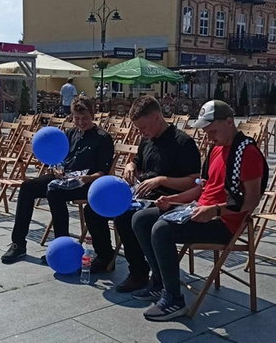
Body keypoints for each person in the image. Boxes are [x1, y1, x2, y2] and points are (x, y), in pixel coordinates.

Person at [132, 100, 268, 321]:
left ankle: (174, 299)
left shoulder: (247, 152)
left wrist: (214, 211)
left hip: (225, 222)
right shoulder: (216, 148)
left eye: (212, 131)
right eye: (206, 132)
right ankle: (159, 282)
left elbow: (251, 202)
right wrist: (173, 199)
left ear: (229, 122)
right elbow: (202, 188)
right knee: (141, 219)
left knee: (161, 230)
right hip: (200, 209)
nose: (208, 137)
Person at [83, 96, 201, 293]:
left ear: (157, 117)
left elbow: (193, 181)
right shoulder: (147, 139)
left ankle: (138, 272)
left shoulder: (182, 142)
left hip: (168, 199)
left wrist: (161, 180)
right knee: (93, 209)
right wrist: (130, 165)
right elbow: (137, 160)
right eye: (138, 129)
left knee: (125, 217)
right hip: (141, 195)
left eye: (143, 127)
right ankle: (104, 256)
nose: (141, 132)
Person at [2, 95, 114, 264]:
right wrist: (56, 167)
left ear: (93, 115)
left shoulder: (102, 137)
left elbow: (103, 173)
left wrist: (86, 178)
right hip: (63, 177)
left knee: (55, 192)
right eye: (77, 118)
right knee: (27, 187)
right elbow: (59, 158)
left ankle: (62, 247)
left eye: (85, 118)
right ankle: (18, 243)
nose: (81, 122)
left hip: (88, 182)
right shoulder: (70, 133)